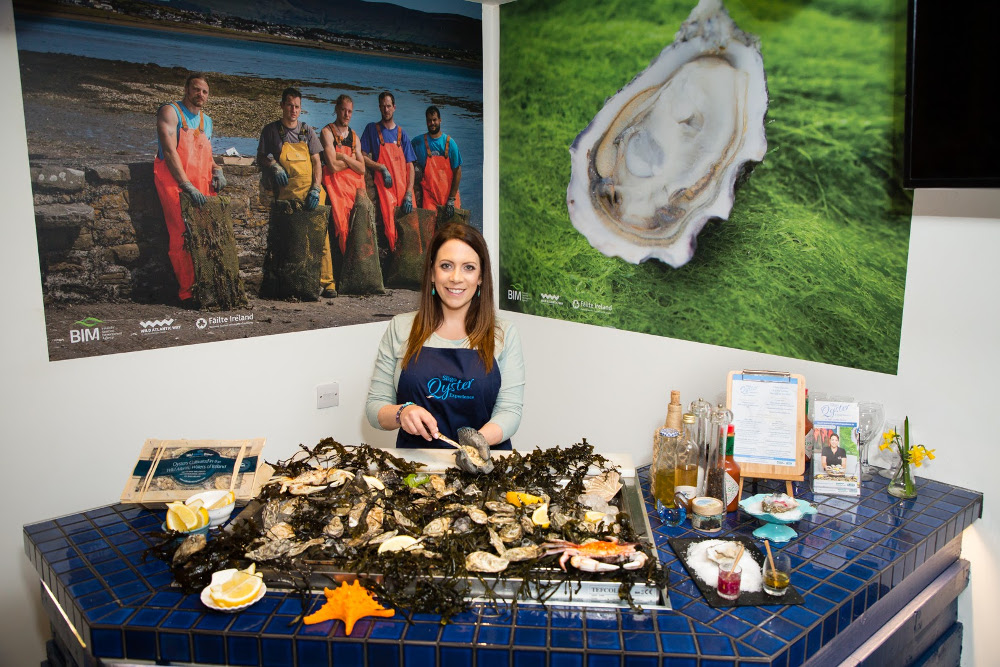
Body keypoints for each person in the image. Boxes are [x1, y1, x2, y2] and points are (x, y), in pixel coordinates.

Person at [365, 223, 524, 451]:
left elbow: (510, 412)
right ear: (432, 273)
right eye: (446, 266)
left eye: (468, 267)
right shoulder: (401, 327)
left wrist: (474, 445)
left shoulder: (503, 333)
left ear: (480, 277)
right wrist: (402, 412)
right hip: (417, 469)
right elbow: (375, 408)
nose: (456, 278)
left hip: (484, 468)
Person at [153, 73, 226, 305]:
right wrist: (186, 185)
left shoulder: (208, 121)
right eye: (196, 89)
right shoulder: (170, 112)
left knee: (206, 236)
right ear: (186, 89)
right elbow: (170, 152)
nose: (200, 94)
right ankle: (188, 293)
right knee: (182, 236)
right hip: (176, 185)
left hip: (202, 187)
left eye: (204, 91)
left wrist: (217, 170)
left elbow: (207, 155)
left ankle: (206, 286)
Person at [257, 87, 336, 298]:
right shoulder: (271, 131)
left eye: (297, 106)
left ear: (301, 109)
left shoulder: (307, 131)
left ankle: (328, 284)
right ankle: (296, 282)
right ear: (282, 105)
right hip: (288, 196)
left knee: (321, 239)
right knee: (292, 241)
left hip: (311, 193)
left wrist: (316, 189)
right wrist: (274, 165)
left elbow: (317, 162)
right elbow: (261, 156)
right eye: (290, 105)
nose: (293, 110)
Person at [360, 91, 416, 251]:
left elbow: (410, 165)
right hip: (385, 189)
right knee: (391, 230)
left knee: (411, 228)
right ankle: (395, 263)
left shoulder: (402, 133)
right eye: (383, 106)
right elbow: (362, 156)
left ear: (394, 107)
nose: (386, 110)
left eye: (389, 106)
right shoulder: (372, 129)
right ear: (379, 108)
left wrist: (409, 193)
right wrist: (381, 167)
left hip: (403, 189)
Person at [320, 94, 365, 256]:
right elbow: (332, 166)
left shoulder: (355, 137)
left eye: (350, 112)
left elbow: (362, 169)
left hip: (353, 192)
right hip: (334, 190)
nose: (347, 115)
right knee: (337, 230)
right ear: (336, 109)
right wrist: (352, 161)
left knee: (355, 231)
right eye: (343, 110)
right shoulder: (327, 132)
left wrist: (344, 157)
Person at [411, 105, 462, 218]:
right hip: (430, 198)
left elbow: (458, 171)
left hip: (449, 196)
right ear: (426, 122)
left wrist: (451, 199)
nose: (432, 123)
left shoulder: (450, 143)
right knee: (430, 232)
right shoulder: (418, 142)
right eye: (429, 120)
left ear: (440, 120)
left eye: (434, 120)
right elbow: (406, 154)